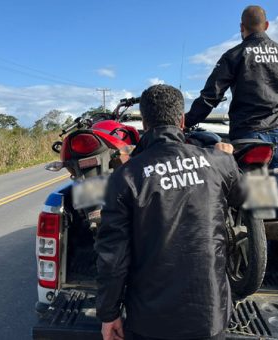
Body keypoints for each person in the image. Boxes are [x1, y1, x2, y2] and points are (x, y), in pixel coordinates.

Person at [95, 84, 246, 340]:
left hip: (148, 322)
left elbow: (113, 256)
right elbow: (261, 199)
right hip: (210, 318)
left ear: (144, 121)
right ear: (182, 120)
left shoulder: (126, 177)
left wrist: (109, 314)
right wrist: (231, 161)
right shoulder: (218, 162)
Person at [185, 5, 278, 216]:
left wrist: (186, 120)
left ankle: (253, 243)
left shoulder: (234, 55)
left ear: (242, 27)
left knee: (254, 191)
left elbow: (211, 96)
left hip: (248, 133)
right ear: (266, 25)